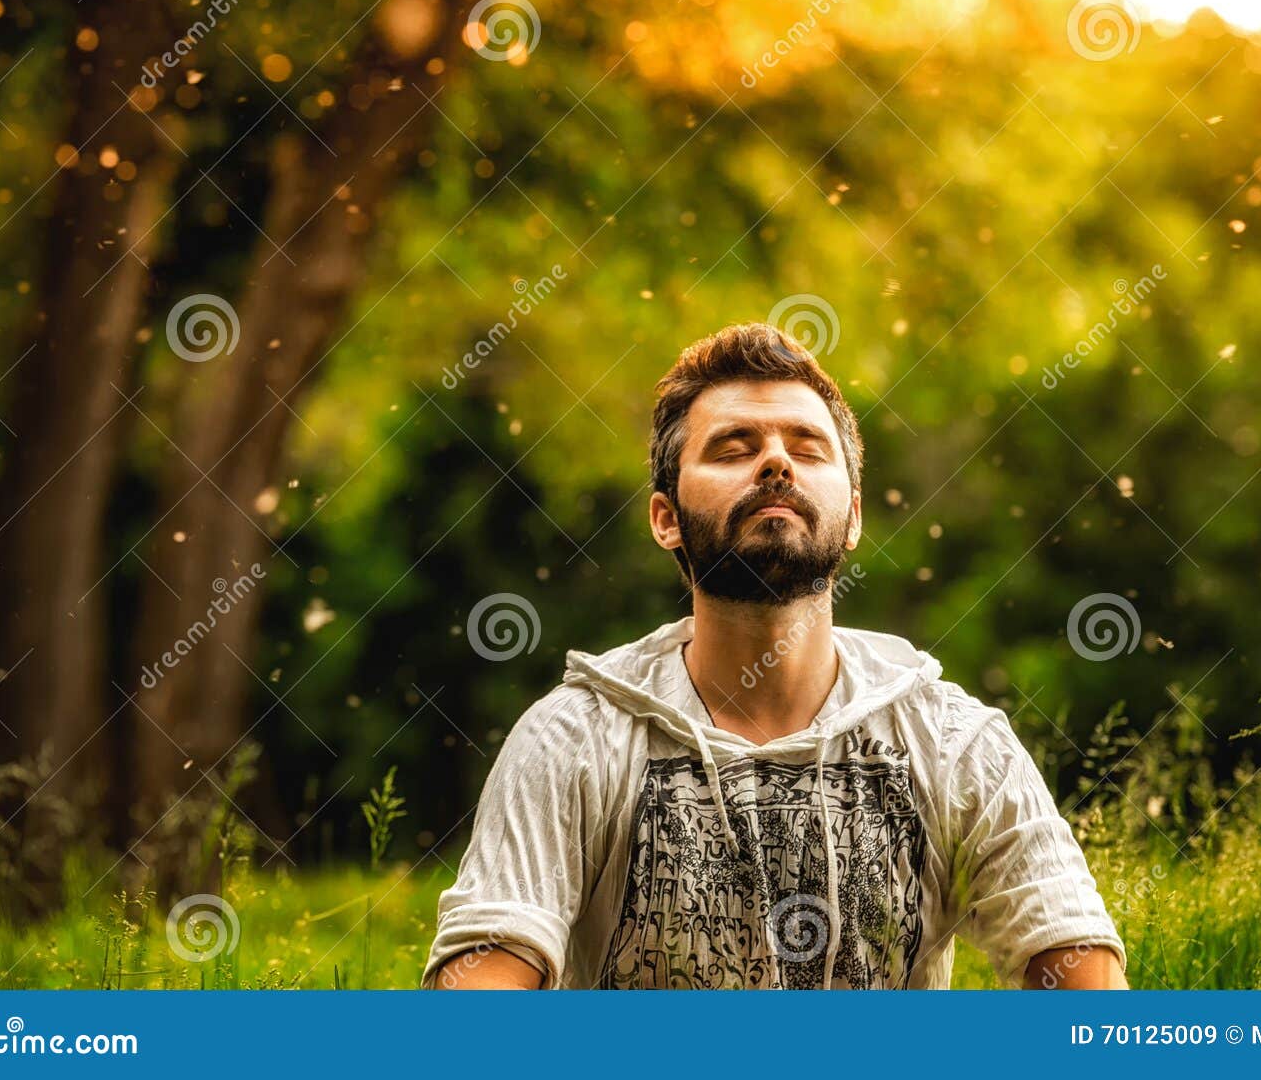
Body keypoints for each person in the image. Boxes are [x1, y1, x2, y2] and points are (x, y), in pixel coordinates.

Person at [424, 322, 1128, 990]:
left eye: (808, 446)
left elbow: (1084, 989)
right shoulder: (573, 738)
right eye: (733, 447)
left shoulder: (954, 742)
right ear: (665, 518)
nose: (775, 460)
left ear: (853, 515)